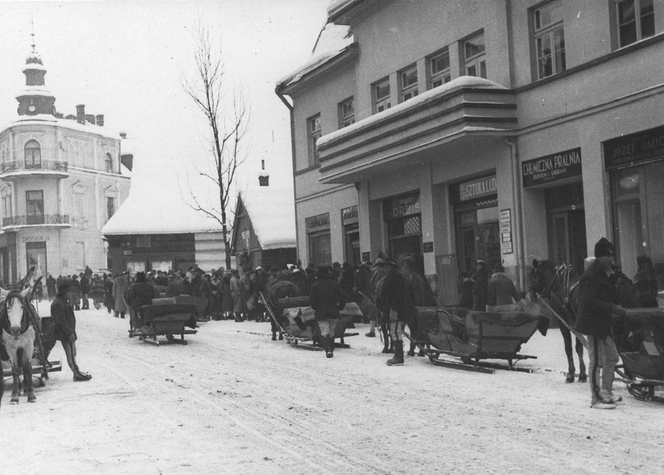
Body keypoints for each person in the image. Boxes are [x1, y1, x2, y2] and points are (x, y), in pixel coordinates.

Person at [575, 237, 626, 410]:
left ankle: (606, 391)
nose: (612, 259)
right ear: (600, 257)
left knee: (612, 357)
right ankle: (595, 399)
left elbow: (609, 296)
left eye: (613, 256)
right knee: (596, 361)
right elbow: (589, 301)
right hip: (593, 324)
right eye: (608, 256)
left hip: (603, 323)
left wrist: (614, 309)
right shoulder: (590, 276)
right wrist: (612, 308)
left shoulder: (607, 274)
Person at [51, 282, 92, 381]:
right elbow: (61, 320)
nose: (71, 294)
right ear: (64, 292)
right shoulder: (58, 303)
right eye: (69, 292)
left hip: (68, 332)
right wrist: (69, 333)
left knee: (73, 352)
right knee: (70, 353)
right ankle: (75, 372)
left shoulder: (63, 301)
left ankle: (76, 371)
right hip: (65, 333)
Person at [309, 265, 345, 358]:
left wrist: (316, 308)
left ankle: (328, 349)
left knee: (324, 330)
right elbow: (343, 297)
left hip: (321, 312)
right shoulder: (335, 284)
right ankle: (331, 348)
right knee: (331, 330)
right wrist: (340, 307)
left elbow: (312, 301)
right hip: (333, 310)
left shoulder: (315, 286)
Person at [379, 257, 406, 366]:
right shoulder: (391, 276)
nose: (384, 268)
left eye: (387, 266)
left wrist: (393, 310)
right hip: (391, 308)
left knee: (395, 332)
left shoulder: (395, 277)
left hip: (394, 310)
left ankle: (398, 357)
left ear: (392, 267)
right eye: (384, 266)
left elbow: (397, 295)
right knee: (395, 331)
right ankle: (397, 355)